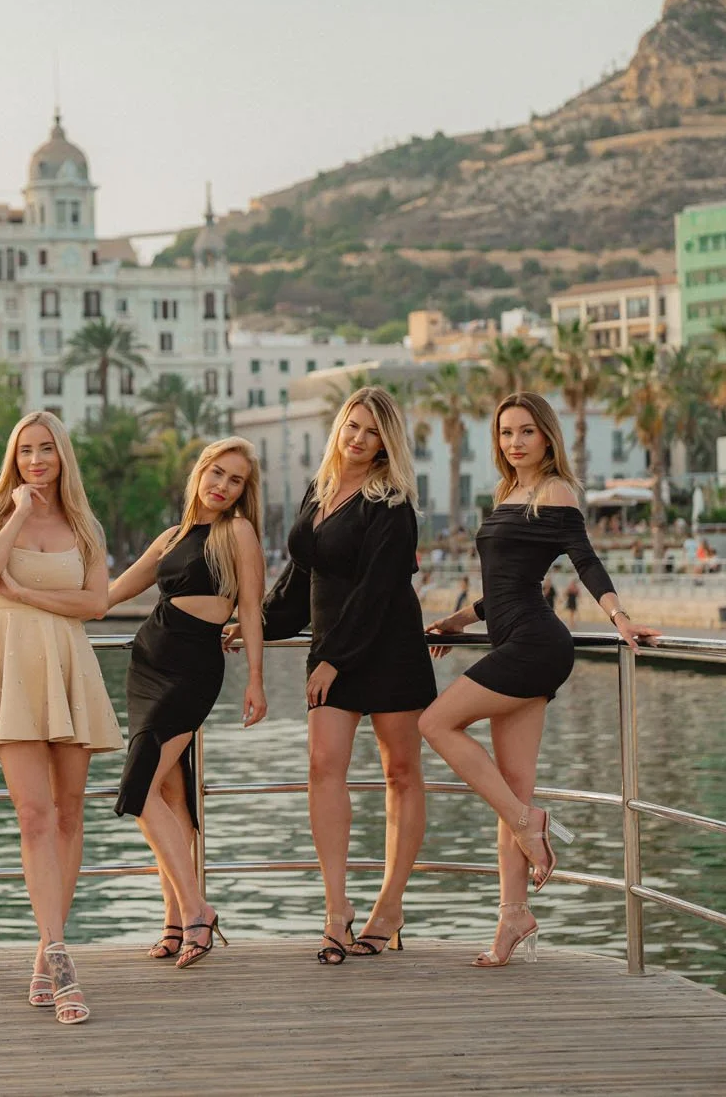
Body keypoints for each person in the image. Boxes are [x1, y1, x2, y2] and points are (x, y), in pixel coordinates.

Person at [418, 393, 656, 969]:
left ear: (547, 436)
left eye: (526, 431)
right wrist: (457, 619)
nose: (515, 442)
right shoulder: (508, 494)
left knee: (435, 722)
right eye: (505, 433)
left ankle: (532, 825)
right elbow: (505, 585)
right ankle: (512, 920)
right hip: (512, 637)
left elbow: (585, 560)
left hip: (537, 646)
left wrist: (619, 617)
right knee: (512, 789)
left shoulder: (556, 491)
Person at [242, 387, 432, 964]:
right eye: (353, 426)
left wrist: (334, 659)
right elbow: (300, 580)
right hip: (332, 650)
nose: (358, 439)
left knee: (400, 772)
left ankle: (390, 908)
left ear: (386, 443)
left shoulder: (393, 501)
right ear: (339, 427)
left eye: (372, 432)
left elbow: (379, 592)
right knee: (323, 766)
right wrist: (256, 627)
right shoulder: (318, 489)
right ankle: (336, 910)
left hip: (385, 647)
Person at [0, 411, 122, 1025]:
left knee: (70, 812)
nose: (36, 461)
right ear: (13, 456)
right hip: (11, 665)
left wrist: (24, 594)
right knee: (33, 814)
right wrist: (20, 513)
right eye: (25, 450)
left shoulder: (84, 522)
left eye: (46, 450)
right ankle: (59, 955)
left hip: (69, 664)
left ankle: (44, 947)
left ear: (62, 455)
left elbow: (97, 603)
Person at [105, 437, 268, 970]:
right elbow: (110, 595)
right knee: (170, 795)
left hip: (190, 672)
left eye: (235, 480)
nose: (222, 486)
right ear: (199, 474)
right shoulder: (171, 536)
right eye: (216, 473)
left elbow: (251, 609)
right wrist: (26, 588)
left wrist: (256, 682)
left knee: (139, 788)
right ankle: (175, 920)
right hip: (146, 665)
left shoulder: (237, 532)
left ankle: (198, 911)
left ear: (245, 491)